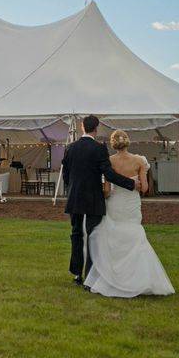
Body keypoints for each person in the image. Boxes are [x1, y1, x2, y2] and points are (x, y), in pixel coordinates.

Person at [84, 130, 174, 298]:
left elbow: (107, 190)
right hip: (132, 203)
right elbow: (145, 188)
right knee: (135, 236)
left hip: (115, 202)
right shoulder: (139, 161)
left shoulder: (109, 161)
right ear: (128, 142)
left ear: (113, 144)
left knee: (114, 238)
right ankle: (137, 278)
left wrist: (106, 196)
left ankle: (113, 278)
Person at [62, 115, 136, 286]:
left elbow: (66, 175)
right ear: (96, 128)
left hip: (75, 197)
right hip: (93, 197)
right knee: (93, 236)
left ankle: (76, 274)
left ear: (82, 127)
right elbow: (108, 174)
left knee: (76, 234)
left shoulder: (70, 148)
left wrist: (74, 187)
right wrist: (130, 183)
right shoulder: (99, 148)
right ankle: (90, 275)